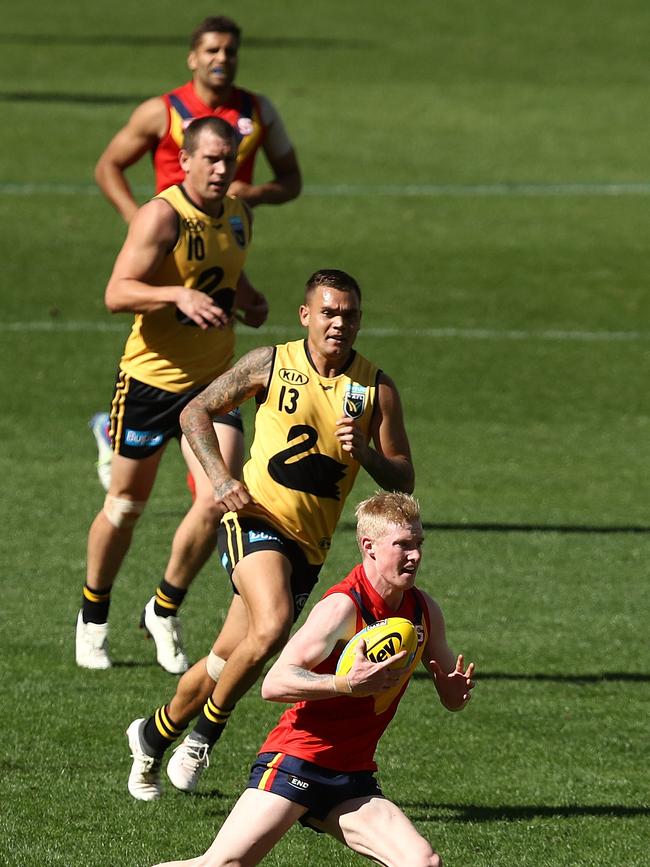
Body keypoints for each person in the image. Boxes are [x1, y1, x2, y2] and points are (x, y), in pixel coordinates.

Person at [125, 268, 416, 801]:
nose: (339, 324)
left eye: (349, 315)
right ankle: (203, 738)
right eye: (328, 312)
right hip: (253, 521)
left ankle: (152, 732)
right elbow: (195, 412)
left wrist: (366, 454)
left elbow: (404, 474)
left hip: (309, 546)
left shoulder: (374, 387)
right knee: (275, 623)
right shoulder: (271, 363)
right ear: (306, 315)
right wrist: (220, 479)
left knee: (226, 660)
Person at [150, 491, 476, 867]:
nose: (415, 555)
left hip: (352, 773)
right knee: (224, 865)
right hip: (298, 759)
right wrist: (345, 684)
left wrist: (453, 694)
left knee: (422, 863)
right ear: (368, 547)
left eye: (418, 544)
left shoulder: (423, 610)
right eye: (403, 545)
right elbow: (274, 683)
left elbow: (453, 696)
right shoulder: (342, 607)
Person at [75, 116, 268, 675]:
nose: (218, 169)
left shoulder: (238, 215)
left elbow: (229, 274)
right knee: (126, 506)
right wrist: (176, 296)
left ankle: (163, 609)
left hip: (212, 387)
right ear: (184, 161)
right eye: (208, 159)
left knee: (218, 496)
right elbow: (117, 292)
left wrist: (251, 301)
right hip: (149, 383)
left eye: (227, 160)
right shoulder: (163, 216)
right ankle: (93, 614)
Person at [91, 14, 301, 490]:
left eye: (230, 51)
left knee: (207, 369)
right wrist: (138, 220)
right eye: (212, 50)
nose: (221, 59)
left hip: (227, 243)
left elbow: (292, 181)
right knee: (158, 349)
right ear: (193, 57)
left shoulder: (258, 111)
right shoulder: (160, 112)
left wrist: (253, 193)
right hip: (167, 244)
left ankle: (199, 488)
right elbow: (109, 167)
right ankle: (123, 431)